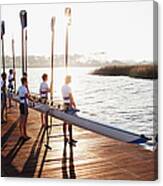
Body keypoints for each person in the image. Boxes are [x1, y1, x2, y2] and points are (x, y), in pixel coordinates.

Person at [61, 75, 77, 145]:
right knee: (70, 122)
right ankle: (70, 138)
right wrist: (73, 104)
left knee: (65, 122)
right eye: (70, 79)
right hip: (69, 105)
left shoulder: (62, 87)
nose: (71, 80)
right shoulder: (68, 87)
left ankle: (65, 137)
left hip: (64, 104)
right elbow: (71, 96)